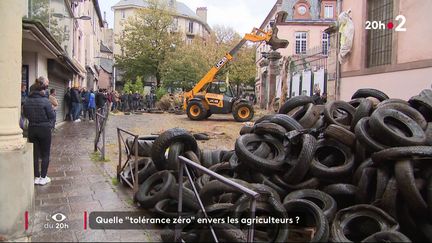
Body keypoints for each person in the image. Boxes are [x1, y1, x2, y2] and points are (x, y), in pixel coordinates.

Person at [23, 76, 55, 186]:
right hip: (44, 129)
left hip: (32, 128)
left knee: (35, 154)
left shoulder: (27, 101)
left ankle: (36, 176)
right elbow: (51, 115)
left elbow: (25, 114)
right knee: (46, 154)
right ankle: (43, 177)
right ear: (41, 90)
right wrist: (49, 126)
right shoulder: (45, 101)